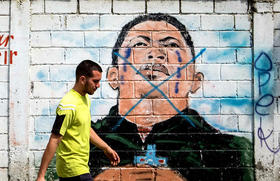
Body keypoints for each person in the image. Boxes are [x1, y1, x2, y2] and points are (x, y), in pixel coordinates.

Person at [89, 14, 253, 181]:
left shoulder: (233, 151)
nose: (155, 53)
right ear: (113, 77)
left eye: (172, 45)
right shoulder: (80, 142)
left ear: (195, 81)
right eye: (139, 44)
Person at [36, 60, 120, 181]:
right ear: (82, 79)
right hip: (72, 169)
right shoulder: (68, 105)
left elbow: (86, 129)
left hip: (79, 168)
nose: (98, 85)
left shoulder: (84, 98)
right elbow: (55, 139)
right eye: (95, 81)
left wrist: (106, 148)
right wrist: (41, 176)